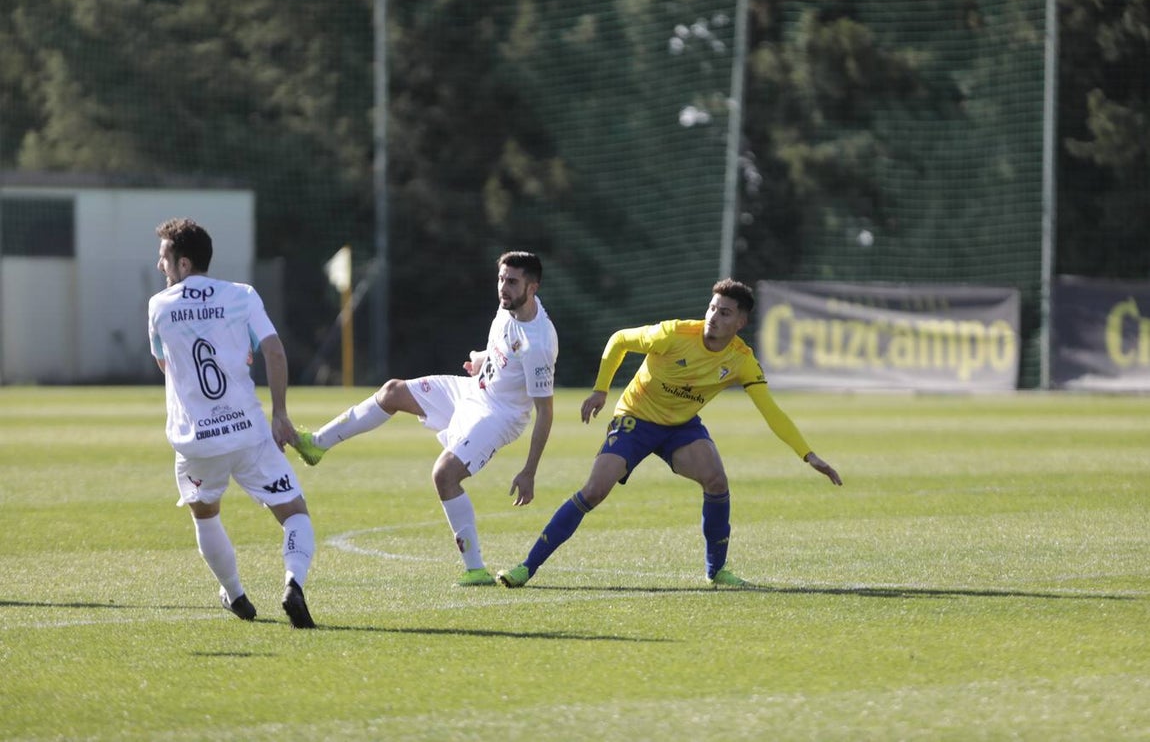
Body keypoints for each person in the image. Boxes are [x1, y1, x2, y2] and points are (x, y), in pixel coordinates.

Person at [496, 278, 841, 589]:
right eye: (711, 308)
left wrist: (808, 455)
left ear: (741, 322)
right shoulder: (674, 334)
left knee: (717, 481)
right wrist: (601, 390)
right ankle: (527, 567)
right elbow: (619, 341)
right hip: (635, 418)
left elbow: (772, 411)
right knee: (594, 490)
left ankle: (716, 571)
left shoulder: (742, 361)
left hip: (680, 428)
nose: (713, 317)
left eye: (724, 313)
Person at [291, 251, 558, 586]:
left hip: (499, 415)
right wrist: (481, 358)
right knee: (392, 392)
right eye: (501, 279)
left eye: (512, 282)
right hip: (473, 389)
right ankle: (317, 444)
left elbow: (545, 411)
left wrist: (530, 471)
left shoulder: (539, 344)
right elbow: (502, 348)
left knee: (444, 475)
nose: (503, 287)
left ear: (531, 288)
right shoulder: (510, 306)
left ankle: (475, 569)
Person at [148, 218, 317, 628]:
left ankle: (235, 593)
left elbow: (163, 364)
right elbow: (274, 351)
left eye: (164, 258)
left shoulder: (159, 306)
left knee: (205, 516)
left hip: (196, 442)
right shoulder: (242, 296)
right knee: (294, 513)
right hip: (248, 433)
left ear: (184, 263)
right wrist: (280, 413)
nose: (160, 267)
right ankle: (293, 583)